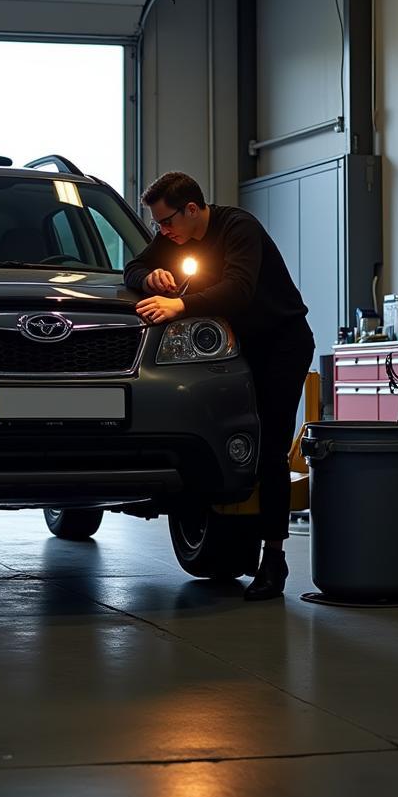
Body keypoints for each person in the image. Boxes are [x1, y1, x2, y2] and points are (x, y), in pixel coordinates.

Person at [125, 172, 315, 601]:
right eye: (158, 225)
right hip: (237, 350)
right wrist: (149, 278)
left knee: (269, 448)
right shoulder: (175, 238)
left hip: (282, 344)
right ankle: (226, 535)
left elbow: (239, 291)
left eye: (166, 222)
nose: (163, 231)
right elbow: (133, 264)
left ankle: (274, 560)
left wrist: (180, 304)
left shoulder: (238, 227)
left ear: (192, 209)